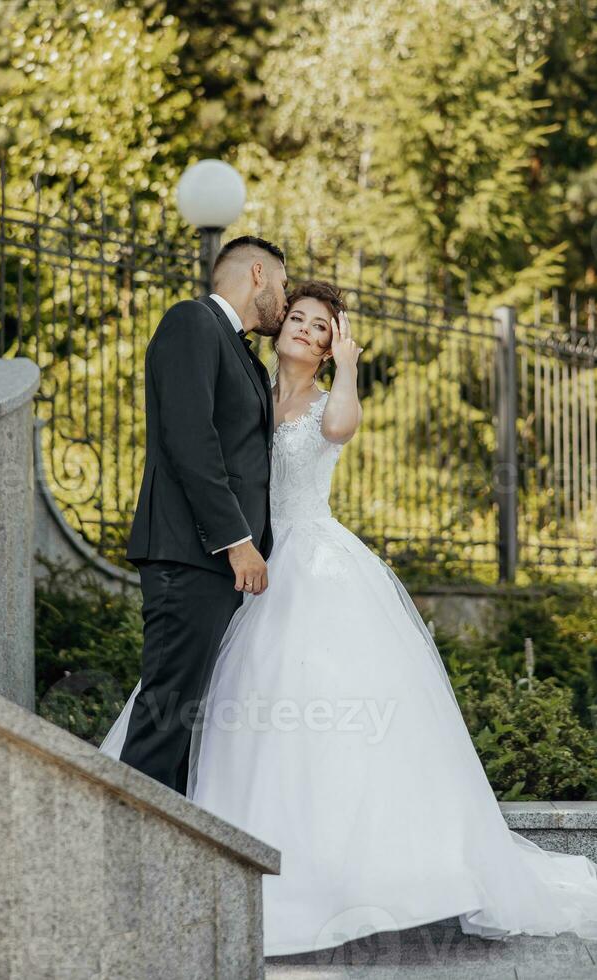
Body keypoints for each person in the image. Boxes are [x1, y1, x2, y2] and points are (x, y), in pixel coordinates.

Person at [103, 279, 597, 956]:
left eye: (320, 324)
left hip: (314, 568)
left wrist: (351, 366)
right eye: (297, 317)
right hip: (250, 569)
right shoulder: (247, 387)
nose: (305, 328)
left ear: (332, 341)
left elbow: (339, 428)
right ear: (278, 330)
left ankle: (340, 874)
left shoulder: (323, 401)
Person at [99, 235, 287, 795]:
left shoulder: (240, 352)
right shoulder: (191, 322)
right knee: (164, 719)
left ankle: (165, 860)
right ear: (258, 273)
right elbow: (190, 440)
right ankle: (126, 861)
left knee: (182, 724)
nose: (285, 294)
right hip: (190, 556)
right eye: (282, 281)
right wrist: (235, 539)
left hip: (214, 567)